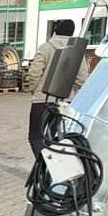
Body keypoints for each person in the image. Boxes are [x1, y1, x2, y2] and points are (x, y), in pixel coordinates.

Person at [24, 19, 89, 159]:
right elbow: (82, 78)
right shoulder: (77, 51)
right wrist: (71, 92)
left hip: (42, 101)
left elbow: (35, 72)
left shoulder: (45, 48)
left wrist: (35, 91)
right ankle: (56, 166)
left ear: (55, 31)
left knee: (35, 136)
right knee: (55, 137)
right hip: (65, 102)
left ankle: (45, 165)